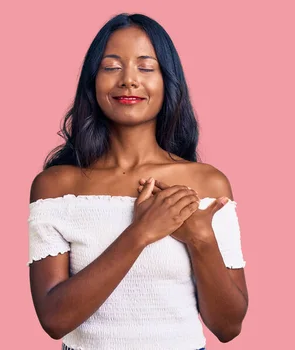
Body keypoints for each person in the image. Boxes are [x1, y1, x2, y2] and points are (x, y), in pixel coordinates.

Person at [27, 13, 249, 350]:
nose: (129, 80)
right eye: (112, 67)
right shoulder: (56, 187)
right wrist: (141, 233)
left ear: (167, 82)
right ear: (92, 82)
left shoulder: (208, 184)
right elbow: (54, 319)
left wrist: (201, 239)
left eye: (146, 68)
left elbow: (228, 327)